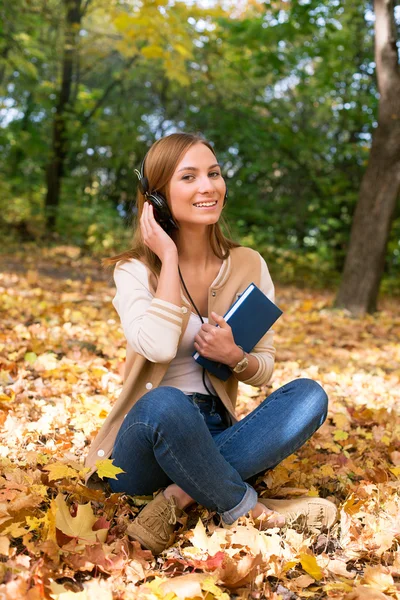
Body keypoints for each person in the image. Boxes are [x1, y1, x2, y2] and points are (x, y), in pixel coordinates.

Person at [84, 132, 337, 555]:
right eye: (189, 177)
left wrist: (235, 357)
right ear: (158, 198)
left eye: (214, 174)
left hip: (217, 433)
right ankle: (248, 508)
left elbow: (265, 369)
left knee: (309, 395)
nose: (208, 186)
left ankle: (178, 497)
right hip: (144, 440)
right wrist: (166, 258)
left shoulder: (249, 264)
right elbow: (159, 348)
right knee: (168, 403)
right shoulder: (133, 270)